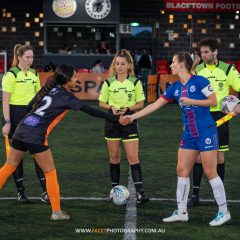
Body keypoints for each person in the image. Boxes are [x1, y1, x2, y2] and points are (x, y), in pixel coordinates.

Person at [0, 64, 127, 220]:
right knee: (50, 172)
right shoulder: (66, 96)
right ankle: (56, 212)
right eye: (74, 77)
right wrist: (117, 119)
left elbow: (28, 107)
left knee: (9, 166)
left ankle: (56, 211)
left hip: (21, 129)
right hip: (35, 135)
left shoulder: (48, 89)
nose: (76, 79)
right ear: (66, 80)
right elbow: (91, 111)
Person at [125, 52, 231, 226]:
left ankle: (224, 211)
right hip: (189, 134)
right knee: (181, 171)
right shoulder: (174, 87)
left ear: (182, 64)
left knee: (211, 172)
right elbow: (155, 105)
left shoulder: (200, 81)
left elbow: (213, 101)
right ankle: (182, 212)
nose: (170, 65)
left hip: (206, 131)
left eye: (173, 62)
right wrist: (132, 117)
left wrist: (192, 101)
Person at [188, 37, 240, 206]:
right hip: (200, 114)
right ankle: (195, 195)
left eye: (206, 52)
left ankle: (220, 195)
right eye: (201, 52)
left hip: (221, 116)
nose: (203, 55)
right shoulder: (198, 69)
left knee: (218, 156)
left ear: (215, 52)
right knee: (197, 156)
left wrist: (237, 106)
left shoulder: (228, 70)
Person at [98, 49, 149, 205]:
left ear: (129, 65)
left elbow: (141, 104)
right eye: (117, 64)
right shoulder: (108, 82)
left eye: (123, 64)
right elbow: (101, 103)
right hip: (112, 123)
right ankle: (114, 191)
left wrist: (127, 110)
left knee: (133, 158)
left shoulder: (135, 82)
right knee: (114, 158)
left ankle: (140, 193)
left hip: (129, 122)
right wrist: (111, 108)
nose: (119, 67)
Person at [1, 44, 50, 203]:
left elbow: (38, 97)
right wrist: (7, 122)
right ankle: (20, 193)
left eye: (32, 57)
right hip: (14, 118)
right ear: (20, 57)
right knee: (16, 158)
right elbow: (5, 101)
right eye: (27, 57)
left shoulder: (34, 74)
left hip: (31, 118)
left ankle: (46, 192)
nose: (30, 60)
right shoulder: (11, 75)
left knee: (39, 155)